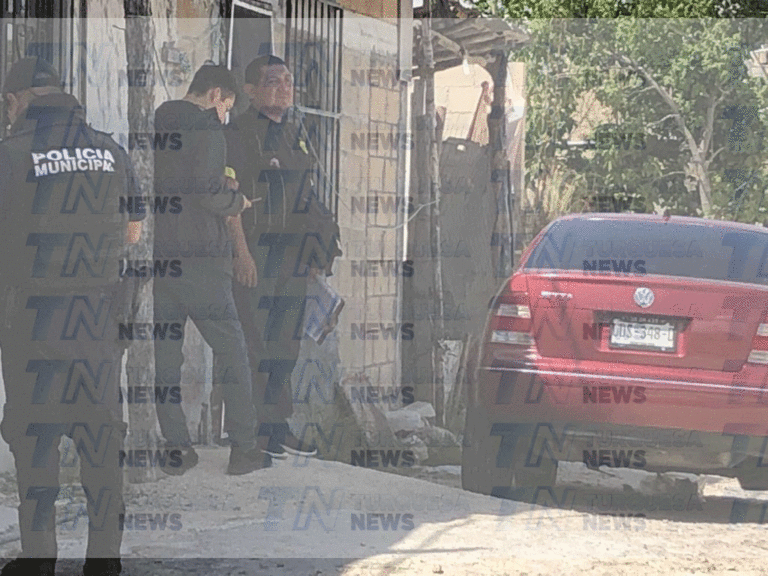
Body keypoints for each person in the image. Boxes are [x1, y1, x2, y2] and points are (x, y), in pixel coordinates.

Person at [0, 57, 143, 576]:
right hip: (98, 319)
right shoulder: (110, 150)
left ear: (15, 101)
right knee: (101, 442)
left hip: (33, 320)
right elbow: (133, 231)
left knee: (36, 442)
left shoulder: (11, 154)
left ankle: (39, 559)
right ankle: (105, 560)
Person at [223, 55, 342, 459]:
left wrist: (319, 249)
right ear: (251, 90)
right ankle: (253, 431)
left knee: (286, 344)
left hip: (293, 255)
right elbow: (230, 200)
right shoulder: (237, 135)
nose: (285, 88)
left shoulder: (294, 133)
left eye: (289, 80)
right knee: (255, 344)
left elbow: (306, 196)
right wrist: (241, 254)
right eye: (274, 81)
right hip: (257, 252)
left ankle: (277, 426)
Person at [152, 65, 268, 475]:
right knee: (233, 350)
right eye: (227, 106)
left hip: (161, 256)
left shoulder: (158, 120)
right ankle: (244, 448)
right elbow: (207, 191)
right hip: (202, 257)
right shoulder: (206, 129)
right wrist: (237, 202)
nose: (226, 115)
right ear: (216, 94)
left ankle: (177, 448)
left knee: (166, 358)